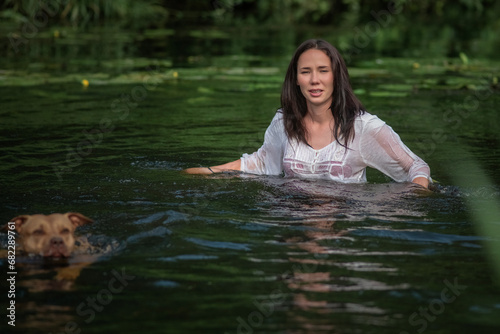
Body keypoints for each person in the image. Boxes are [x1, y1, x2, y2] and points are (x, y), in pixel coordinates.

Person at [184, 39, 431, 188]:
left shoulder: (363, 128)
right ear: (296, 80)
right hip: (292, 219)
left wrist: (408, 200)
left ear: (336, 76)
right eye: (306, 72)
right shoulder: (284, 122)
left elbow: (416, 168)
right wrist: (203, 172)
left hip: (345, 222)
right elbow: (259, 164)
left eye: (323, 70)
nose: (315, 80)